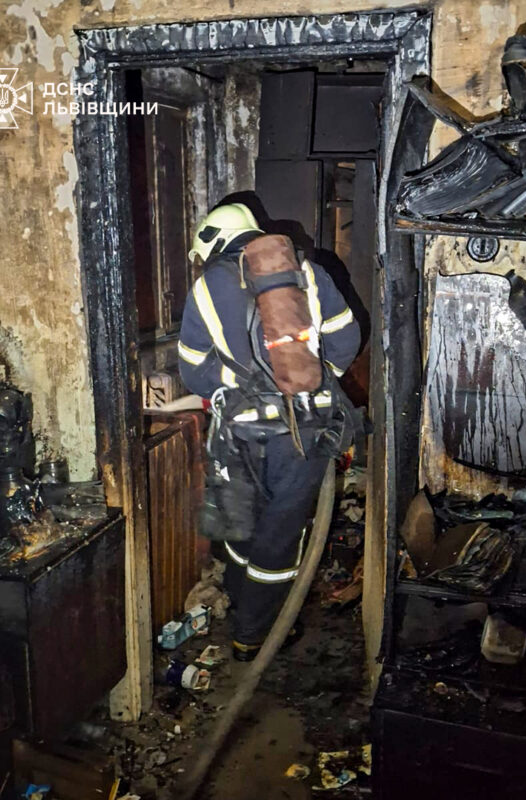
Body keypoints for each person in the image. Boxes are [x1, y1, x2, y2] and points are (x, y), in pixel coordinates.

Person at [178, 202, 361, 661]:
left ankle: (244, 613)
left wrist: (239, 385)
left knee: (242, 524)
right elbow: (346, 340)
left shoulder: (205, 287)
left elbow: (194, 372)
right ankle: (254, 635)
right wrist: (312, 382)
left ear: (212, 243)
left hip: (239, 435)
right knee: (280, 537)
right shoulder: (308, 272)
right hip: (303, 433)